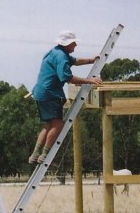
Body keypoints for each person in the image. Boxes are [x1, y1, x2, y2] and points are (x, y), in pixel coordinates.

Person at [28, 30, 102, 164]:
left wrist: (91, 60)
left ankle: (35, 154)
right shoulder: (61, 57)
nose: (76, 45)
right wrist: (89, 80)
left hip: (40, 92)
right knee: (57, 124)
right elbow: (67, 78)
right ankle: (44, 155)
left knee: (49, 124)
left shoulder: (55, 52)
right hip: (50, 93)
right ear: (67, 44)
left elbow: (75, 61)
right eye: (74, 43)